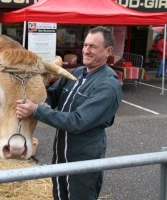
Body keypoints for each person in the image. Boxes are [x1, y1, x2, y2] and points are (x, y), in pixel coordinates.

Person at [16, 26, 123, 200]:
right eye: (86, 45)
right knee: (59, 196)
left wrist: (37, 110)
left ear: (108, 51)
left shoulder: (108, 86)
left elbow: (77, 121)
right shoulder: (78, 72)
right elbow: (52, 94)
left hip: (84, 161)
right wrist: (45, 102)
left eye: (93, 47)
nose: (86, 51)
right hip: (60, 157)